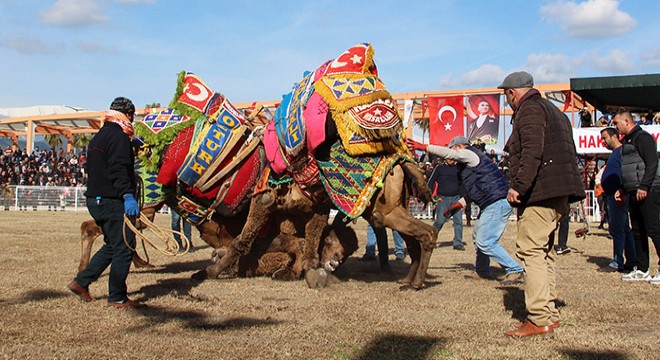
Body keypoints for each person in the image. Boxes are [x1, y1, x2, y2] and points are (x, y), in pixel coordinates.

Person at [499, 71, 585, 337]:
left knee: (531, 251)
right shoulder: (554, 110)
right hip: (558, 192)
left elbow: (532, 151)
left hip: (540, 194)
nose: (507, 102)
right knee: (545, 252)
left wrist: (519, 186)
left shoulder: (529, 111)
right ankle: (549, 312)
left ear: (512, 93)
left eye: (506, 96)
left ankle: (538, 319)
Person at [407, 136, 524, 283]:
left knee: (486, 241)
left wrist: (424, 147)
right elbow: (473, 191)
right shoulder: (468, 167)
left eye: (452, 149)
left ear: (458, 147)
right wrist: (459, 205)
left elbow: (452, 155)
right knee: (477, 237)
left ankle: (515, 269)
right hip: (490, 203)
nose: (451, 155)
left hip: (496, 202)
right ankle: (482, 271)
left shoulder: (470, 153)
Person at [66, 97, 146, 308]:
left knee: (113, 244)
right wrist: (128, 195)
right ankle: (117, 296)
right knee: (125, 247)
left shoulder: (99, 137)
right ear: (128, 115)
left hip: (96, 199)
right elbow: (119, 168)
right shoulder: (119, 137)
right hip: (112, 200)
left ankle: (81, 282)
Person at [612, 111, 660, 283]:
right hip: (633, 191)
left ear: (627, 121)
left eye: (617, 123)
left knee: (654, 229)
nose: (615, 127)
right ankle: (642, 269)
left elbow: (653, 162)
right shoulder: (626, 142)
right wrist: (623, 189)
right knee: (638, 232)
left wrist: (645, 185)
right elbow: (627, 168)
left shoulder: (643, 138)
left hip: (649, 190)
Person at [598, 127, 636, 273]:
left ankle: (617, 261)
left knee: (618, 229)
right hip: (611, 195)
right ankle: (631, 260)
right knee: (624, 228)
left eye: (604, 138)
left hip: (617, 195)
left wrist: (621, 190)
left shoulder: (621, 152)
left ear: (614, 137)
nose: (603, 142)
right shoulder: (616, 153)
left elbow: (625, 173)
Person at [426, 159, 464, 250]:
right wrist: (428, 194)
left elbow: (463, 183)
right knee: (440, 221)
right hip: (443, 198)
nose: (451, 160)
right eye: (449, 158)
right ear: (445, 159)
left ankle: (457, 243)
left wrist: (463, 197)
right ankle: (431, 240)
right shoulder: (439, 168)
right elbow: (431, 181)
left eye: (452, 158)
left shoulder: (459, 168)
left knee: (458, 222)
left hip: (456, 198)